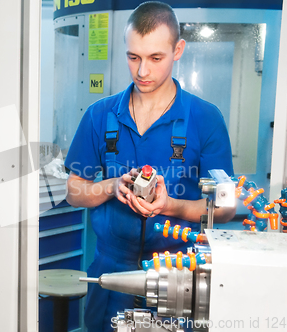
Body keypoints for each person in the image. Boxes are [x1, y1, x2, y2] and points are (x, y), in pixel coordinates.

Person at [64, 2, 236, 331]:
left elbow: (225, 207)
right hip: (110, 271)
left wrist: (172, 205)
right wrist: (112, 187)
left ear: (178, 50)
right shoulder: (99, 115)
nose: (143, 71)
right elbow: (74, 191)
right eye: (134, 57)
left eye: (156, 58)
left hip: (179, 274)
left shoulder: (206, 119)